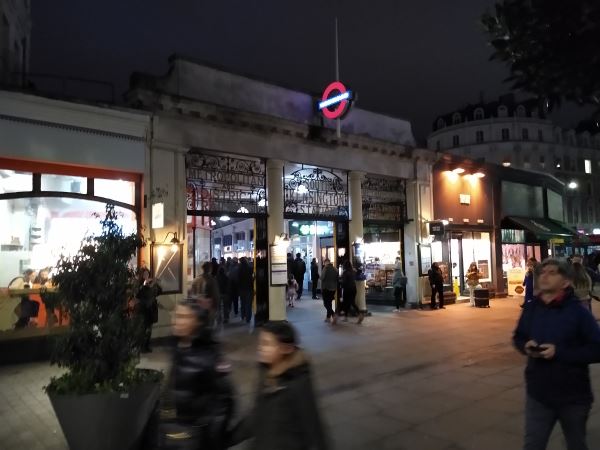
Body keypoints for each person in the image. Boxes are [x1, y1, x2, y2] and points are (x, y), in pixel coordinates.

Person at [513, 258, 600, 450]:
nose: (544, 276)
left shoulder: (579, 313)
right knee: (533, 445)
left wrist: (559, 352)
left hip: (573, 397)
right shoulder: (532, 308)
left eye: (552, 273)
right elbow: (518, 336)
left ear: (566, 281)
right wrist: (524, 345)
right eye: (543, 272)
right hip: (538, 394)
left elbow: (597, 349)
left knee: (576, 444)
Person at [227, 321, 330, 450]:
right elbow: (258, 415)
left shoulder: (298, 382)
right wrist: (227, 439)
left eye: (267, 344)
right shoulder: (266, 373)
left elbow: (313, 428)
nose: (260, 348)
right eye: (261, 343)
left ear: (285, 348)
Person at [162, 299, 235, 450]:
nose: (177, 321)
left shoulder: (209, 355)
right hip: (179, 430)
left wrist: (212, 436)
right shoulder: (177, 347)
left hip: (199, 435)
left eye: (183, 317)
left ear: (197, 322)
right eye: (176, 315)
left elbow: (224, 401)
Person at [135, 267, 162, 352]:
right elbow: (137, 294)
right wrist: (144, 284)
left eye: (147, 274)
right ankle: (141, 346)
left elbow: (159, 292)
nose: (146, 275)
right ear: (141, 275)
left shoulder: (151, 282)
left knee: (149, 328)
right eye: (144, 274)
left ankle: (147, 346)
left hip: (151, 308)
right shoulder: (139, 284)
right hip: (143, 309)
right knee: (143, 329)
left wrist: (156, 284)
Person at [320, 259, 338, 324]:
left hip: (326, 288)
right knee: (329, 302)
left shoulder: (325, 268)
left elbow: (322, 277)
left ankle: (333, 315)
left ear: (325, 263)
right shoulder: (335, 269)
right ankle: (328, 318)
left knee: (326, 303)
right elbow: (337, 278)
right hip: (333, 289)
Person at [238, 257, 254, 323]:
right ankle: (248, 318)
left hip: (242, 289)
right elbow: (253, 277)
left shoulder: (239, 269)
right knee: (248, 304)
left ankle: (242, 316)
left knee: (243, 303)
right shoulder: (250, 268)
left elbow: (238, 279)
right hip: (249, 288)